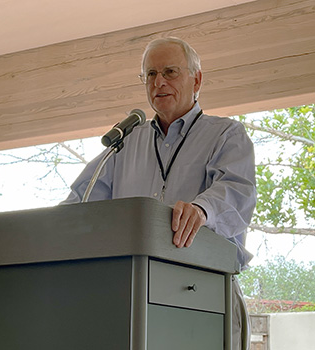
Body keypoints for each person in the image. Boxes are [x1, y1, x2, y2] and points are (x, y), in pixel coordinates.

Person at [61, 37, 256, 349]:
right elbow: (79, 206)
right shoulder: (124, 142)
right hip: (132, 295)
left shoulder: (226, 134)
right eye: (150, 75)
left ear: (197, 79)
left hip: (202, 290)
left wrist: (201, 210)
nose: (159, 82)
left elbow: (236, 193)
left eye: (170, 72)